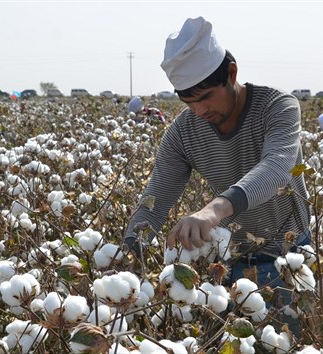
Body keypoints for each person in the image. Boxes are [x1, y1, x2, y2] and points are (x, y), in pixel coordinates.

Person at [124, 16, 312, 288]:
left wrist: (212, 211)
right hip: (230, 260)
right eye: (189, 102)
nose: (200, 111)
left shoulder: (277, 107)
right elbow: (155, 200)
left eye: (206, 97)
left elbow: (277, 169)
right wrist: (128, 253)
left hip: (291, 257)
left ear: (232, 74)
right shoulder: (183, 132)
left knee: (293, 330)